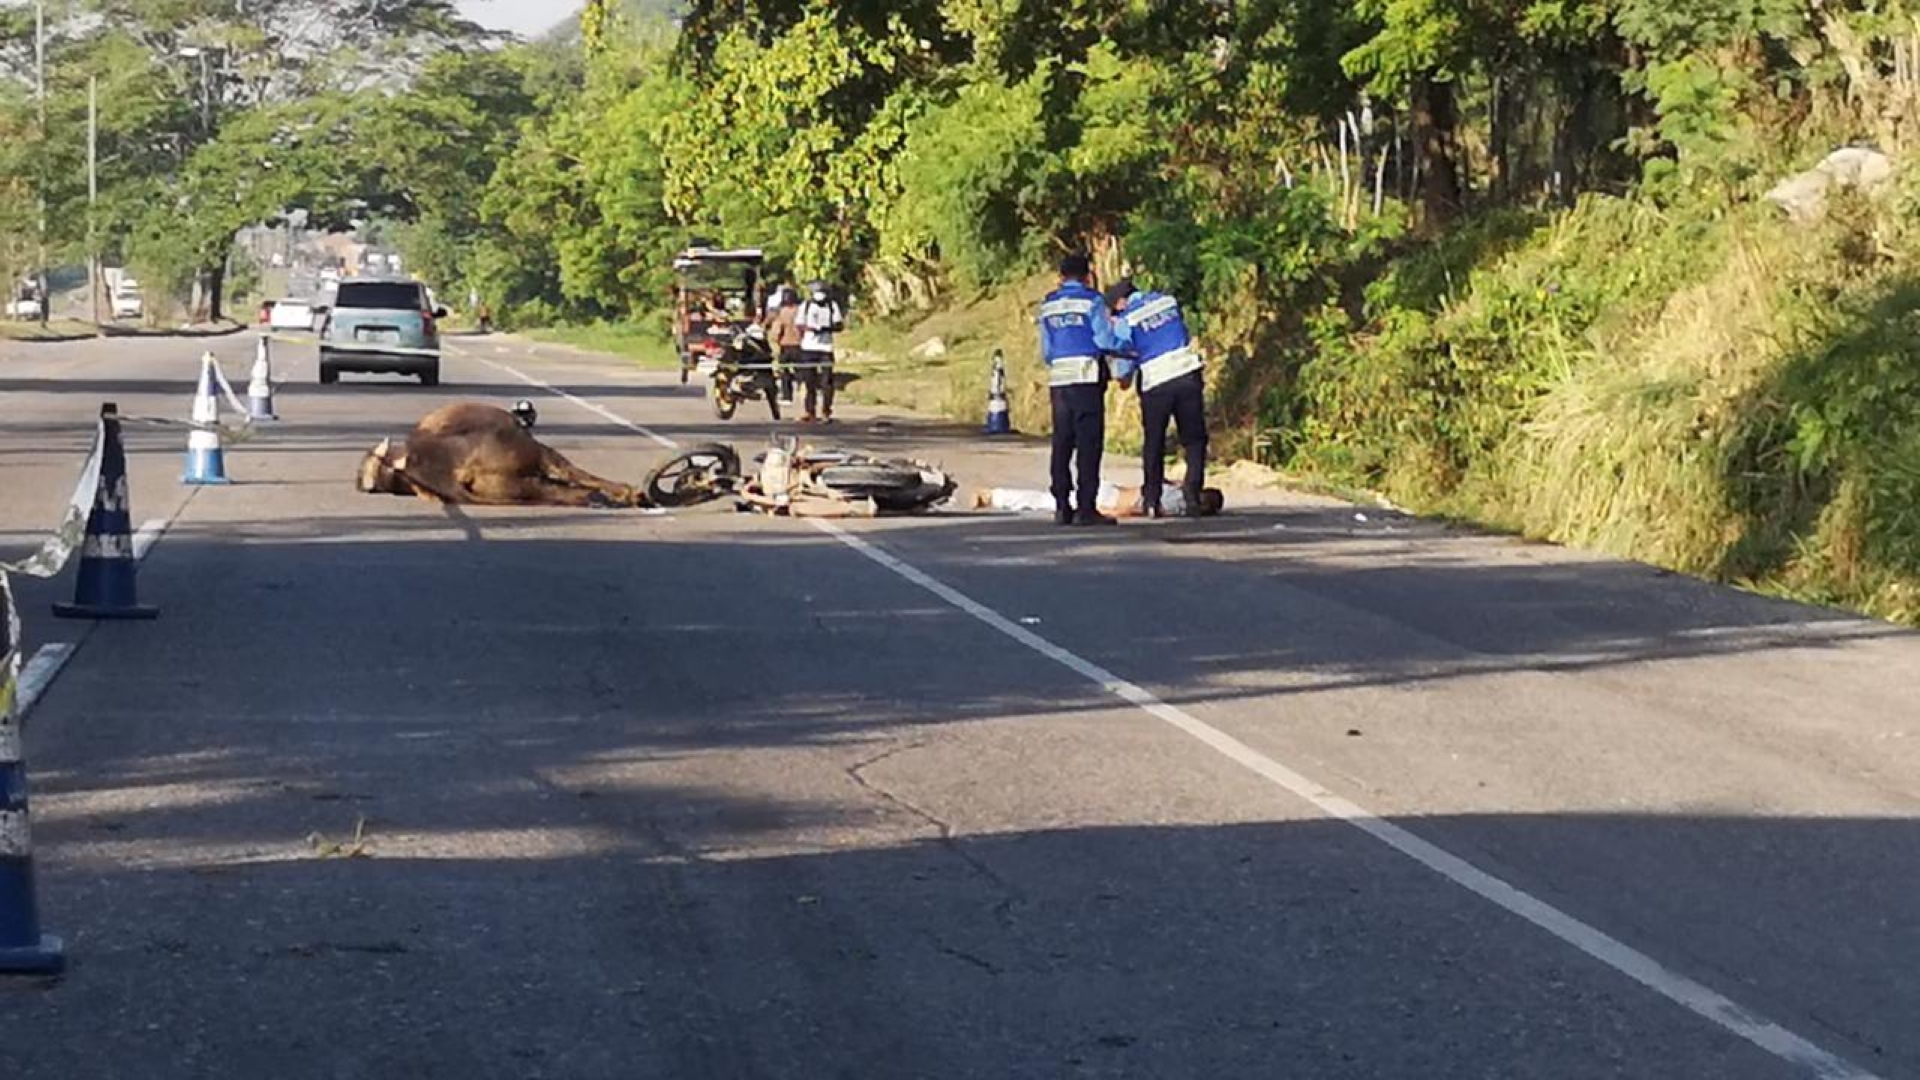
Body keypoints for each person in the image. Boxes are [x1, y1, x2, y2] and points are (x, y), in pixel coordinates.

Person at [1039, 253, 1130, 526]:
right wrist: (1127, 346)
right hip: (1086, 377)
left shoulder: (1048, 305)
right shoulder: (1092, 301)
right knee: (1088, 444)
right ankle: (1086, 507)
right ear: (1088, 276)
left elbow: (1046, 351)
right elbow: (1104, 339)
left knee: (1062, 442)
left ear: (1060, 277)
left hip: (1059, 380)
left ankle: (1061, 505)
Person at [1108, 278, 1208, 518]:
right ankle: (1193, 497)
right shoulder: (1168, 301)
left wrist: (1122, 376)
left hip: (1156, 383)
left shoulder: (1127, 318)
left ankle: (1152, 501)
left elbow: (1123, 359)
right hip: (1186, 374)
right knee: (1194, 440)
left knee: (1154, 442)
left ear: (1121, 303)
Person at [972, 482, 1224, 518]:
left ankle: (995, 496)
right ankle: (995, 496)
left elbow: (1138, 500)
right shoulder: (1178, 500)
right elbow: (1139, 507)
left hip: (1111, 492)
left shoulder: (1177, 494)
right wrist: (1110, 511)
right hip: (1111, 495)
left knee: (1048, 499)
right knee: (1046, 500)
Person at [796, 280, 844, 423]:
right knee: (809, 381)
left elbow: (839, 325)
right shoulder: (806, 306)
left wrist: (827, 328)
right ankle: (810, 411)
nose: (820, 295)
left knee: (827, 382)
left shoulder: (832, 306)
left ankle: (826, 411)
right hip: (808, 348)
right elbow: (799, 324)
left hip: (825, 348)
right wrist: (810, 328)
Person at [763, 286, 805, 406]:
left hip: (786, 344)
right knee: (801, 370)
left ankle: (787, 396)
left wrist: (774, 339)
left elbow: (777, 330)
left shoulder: (783, 312)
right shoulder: (800, 310)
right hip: (800, 344)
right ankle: (803, 391)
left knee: (784, 372)